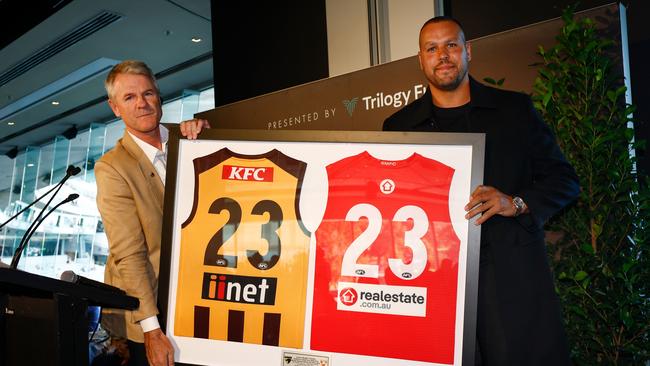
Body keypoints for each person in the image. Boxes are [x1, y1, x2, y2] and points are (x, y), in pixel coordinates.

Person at [383, 16, 580, 365]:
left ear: (468, 51)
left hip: (509, 277)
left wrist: (516, 202)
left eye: (451, 45)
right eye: (432, 48)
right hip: (431, 283)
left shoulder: (514, 110)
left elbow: (564, 180)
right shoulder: (398, 127)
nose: (442, 55)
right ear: (421, 59)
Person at [95, 60, 209, 366]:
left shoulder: (191, 139)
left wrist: (212, 136)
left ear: (159, 95)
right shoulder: (112, 167)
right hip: (151, 309)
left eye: (148, 94)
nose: (142, 104)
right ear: (115, 108)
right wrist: (151, 329)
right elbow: (129, 253)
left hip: (201, 295)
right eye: (129, 98)